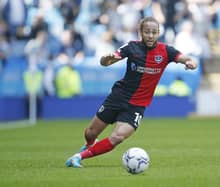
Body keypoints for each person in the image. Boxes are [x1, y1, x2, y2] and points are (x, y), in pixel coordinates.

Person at [65, 17, 197, 168]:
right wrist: (106, 60)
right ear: (141, 32)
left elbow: (185, 58)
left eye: (154, 32)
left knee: (118, 137)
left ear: (158, 33)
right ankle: (89, 144)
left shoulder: (166, 51)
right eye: (147, 32)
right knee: (90, 133)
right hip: (118, 97)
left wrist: (190, 62)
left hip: (137, 105)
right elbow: (108, 60)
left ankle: (78, 157)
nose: (150, 35)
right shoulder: (131, 47)